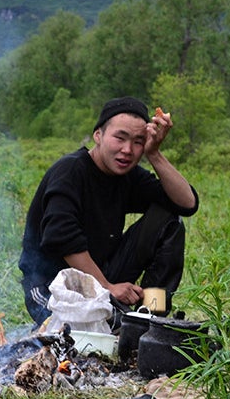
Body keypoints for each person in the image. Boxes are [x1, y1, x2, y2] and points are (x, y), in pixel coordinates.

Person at [19, 96, 199, 327]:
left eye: (138, 142)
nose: (127, 150)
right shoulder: (71, 171)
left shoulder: (127, 176)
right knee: (83, 335)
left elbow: (187, 204)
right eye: (120, 138)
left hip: (101, 278)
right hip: (54, 287)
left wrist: (154, 154)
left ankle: (152, 317)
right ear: (98, 136)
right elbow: (62, 238)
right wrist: (107, 288)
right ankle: (119, 320)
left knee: (168, 221)